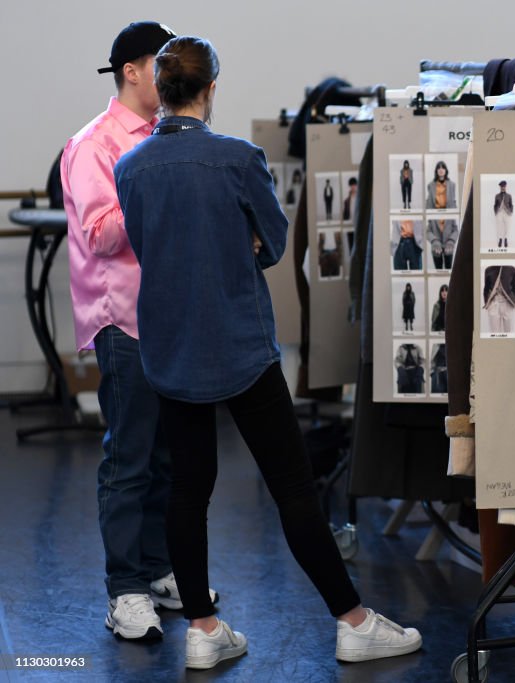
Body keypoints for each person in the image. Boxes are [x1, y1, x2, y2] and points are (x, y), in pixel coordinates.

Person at [114, 35, 421, 670]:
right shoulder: (239, 159)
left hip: (171, 349)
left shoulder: (130, 168)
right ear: (210, 90)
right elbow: (275, 243)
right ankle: (354, 621)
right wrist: (240, 243)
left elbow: (148, 248)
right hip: (241, 346)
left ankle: (201, 629)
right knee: (293, 489)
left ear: (161, 92)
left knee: (186, 492)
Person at [62, 20, 214, 642]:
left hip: (173, 317)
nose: (173, 71)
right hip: (123, 322)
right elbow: (100, 234)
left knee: (168, 458)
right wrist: (161, 186)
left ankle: (157, 572)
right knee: (128, 460)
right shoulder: (95, 144)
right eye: (162, 61)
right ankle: (124, 589)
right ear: (132, 70)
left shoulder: (165, 135)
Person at [482, 265, 515, 334]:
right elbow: (486, 289)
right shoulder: (488, 269)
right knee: (494, 333)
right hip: (494, 303)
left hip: (509, 303)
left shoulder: (511, 269)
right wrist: (487, 303)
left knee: (509, 333)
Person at [493, 179, 513, 248]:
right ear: (500, 187)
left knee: (507, 227)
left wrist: (511, 212)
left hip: (507, 213)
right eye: (501, 186)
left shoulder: (509, 196)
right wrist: (496, 212)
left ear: (505, 186)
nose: (503, 187)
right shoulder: (497, 196)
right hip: (499, 213)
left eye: (504, 186)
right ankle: (500, 240)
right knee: (500, 227)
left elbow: (511, 204)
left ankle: (506, 240)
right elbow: (495, 205)